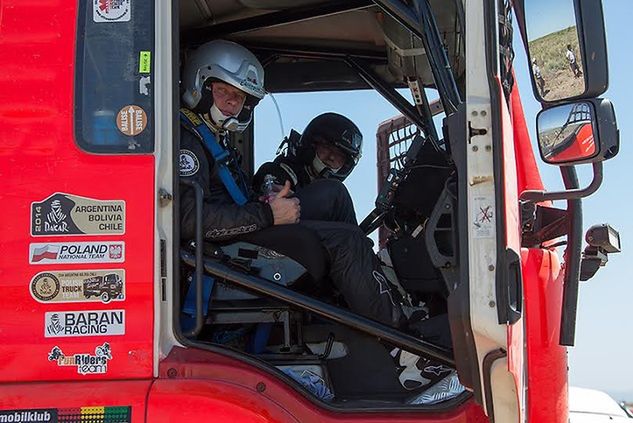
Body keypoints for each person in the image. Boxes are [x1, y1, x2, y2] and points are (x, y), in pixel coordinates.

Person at [178, 39, 450, 392]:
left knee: (335, 198)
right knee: (346, 240)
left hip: (243, 231)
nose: (233, 104)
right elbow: (188, 219)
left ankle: (367, 285)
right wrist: (266, 213)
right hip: (223, 250)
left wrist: (267, 203)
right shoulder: (187, 141)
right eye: (224, 93)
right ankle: (400, 343)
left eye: (240, 98)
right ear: (201, 85)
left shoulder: (211, 136)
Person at [253, 112, 363, 192]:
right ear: (312, 145)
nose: (332, 157)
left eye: (340, 156)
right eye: (328, 147)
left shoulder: (327, 197)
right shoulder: (274, 173)